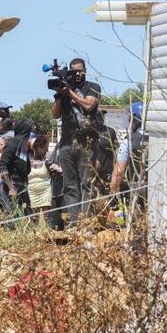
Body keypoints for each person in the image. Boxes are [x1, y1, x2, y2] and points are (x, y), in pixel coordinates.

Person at [51, 58, 102, 226]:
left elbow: (88, 105)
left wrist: (70, 93)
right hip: (66, 144)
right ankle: (74, 223)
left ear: (85, 70)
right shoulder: (67, 89)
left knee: (87, 184)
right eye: (74, 71)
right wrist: (60, 94)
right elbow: (55, 114)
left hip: (86, 145)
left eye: (80, 71)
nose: (77, 74)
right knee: (70, 186)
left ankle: (86, 222)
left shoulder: (92, 87)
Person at [110, 102, 149, 210]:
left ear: (135, 119)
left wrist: (113, 190)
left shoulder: (128, 142)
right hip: (156, 188)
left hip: (135, 188)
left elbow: (119, 172)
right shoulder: (157, 139)